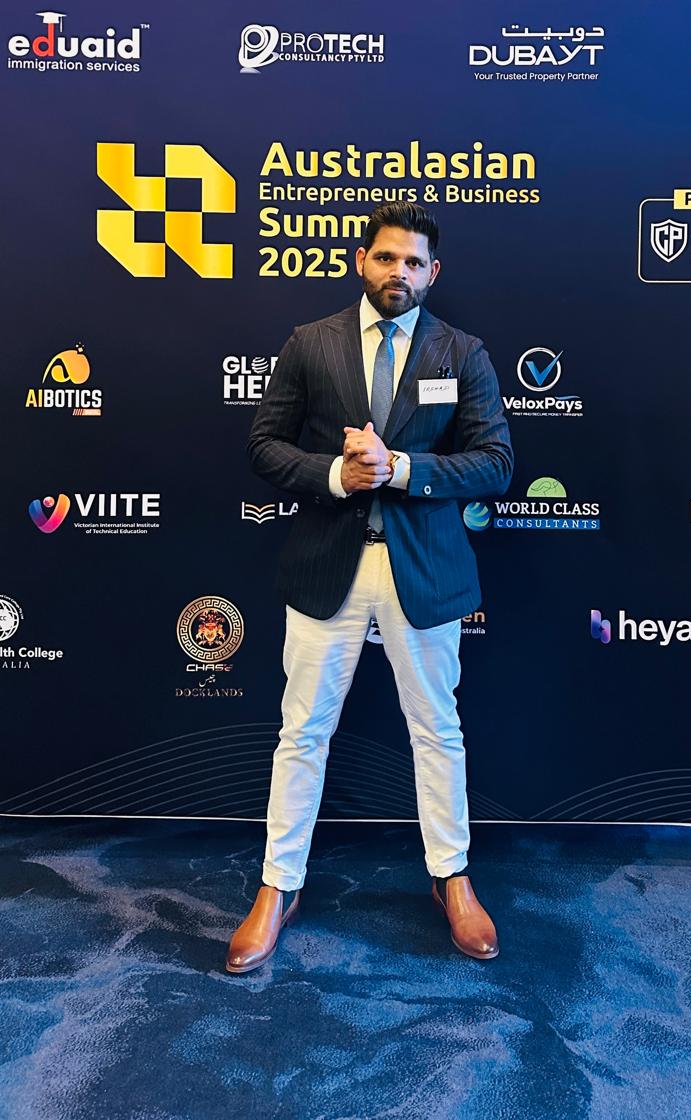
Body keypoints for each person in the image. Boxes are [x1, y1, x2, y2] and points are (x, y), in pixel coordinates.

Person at [226, 201, 513, 973]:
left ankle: (452, 877)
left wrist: (402, 469)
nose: (399, 273)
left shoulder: (463, 353)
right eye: (387, 257)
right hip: (329, 567)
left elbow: (495, 463)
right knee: (302, 732)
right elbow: (263, 446)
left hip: (423, 571)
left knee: (437, 731)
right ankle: (278, 885)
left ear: (433, 272)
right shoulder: (309, 344)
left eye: (414, 262)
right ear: (361, 261)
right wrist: (336, 474)